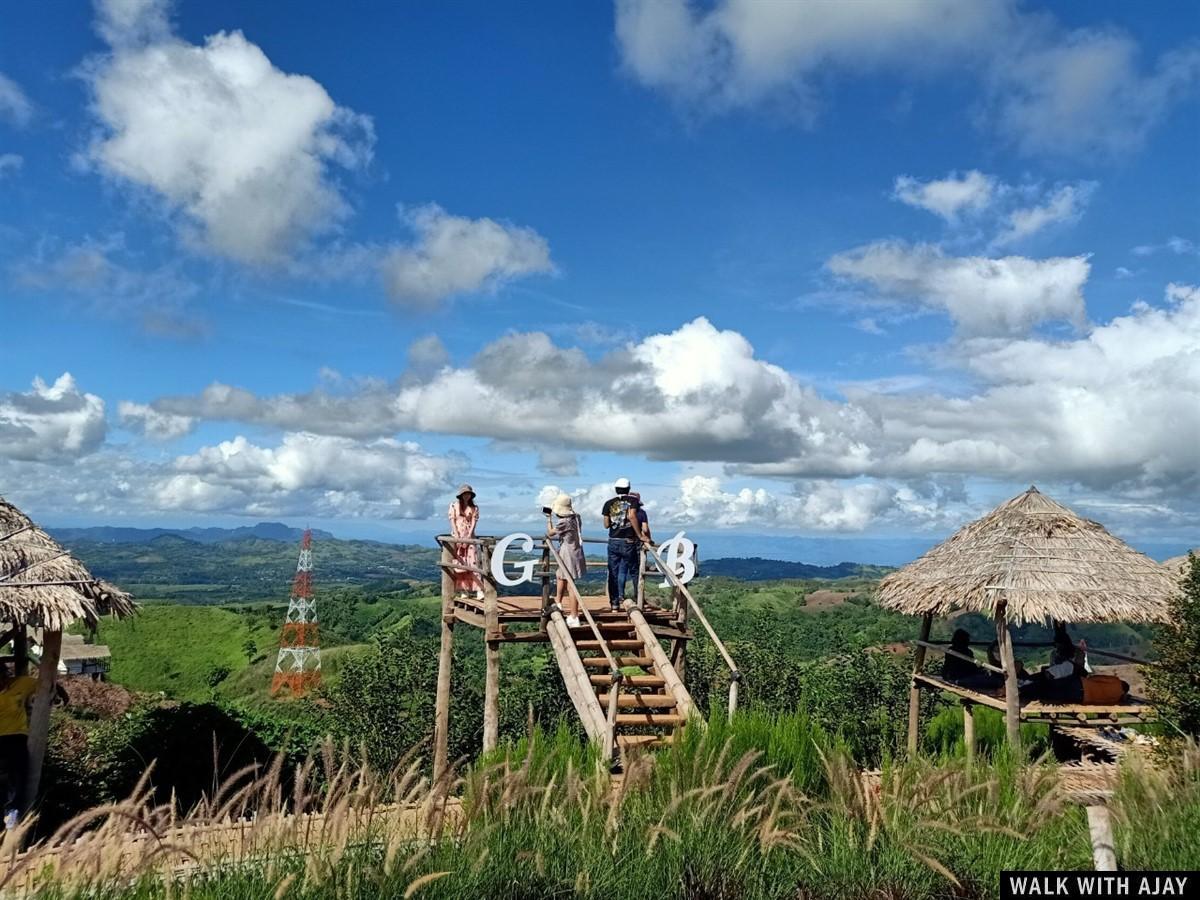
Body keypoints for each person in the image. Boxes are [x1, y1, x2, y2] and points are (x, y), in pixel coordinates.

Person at [0, 661, 38, 828]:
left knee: (17, 775)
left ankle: (12, 812)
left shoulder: (21, 683)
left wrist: (62, 695)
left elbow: (47, 684)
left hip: (16, 737)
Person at [602, 477, 643, 612]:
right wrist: (640, 535)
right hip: (628, 541)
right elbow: (632, 516)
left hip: (613, 541)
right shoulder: (633, 501)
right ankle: (639, 600)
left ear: (616, 489)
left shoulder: (608, 503)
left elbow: (606, 524)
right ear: (628, 489)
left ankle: (614, 604)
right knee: (635, 571)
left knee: (613, 572)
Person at [548, 494, 586, 628]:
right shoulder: (576, 517)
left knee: (571, 586)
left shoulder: (564, 522)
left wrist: (549, 520)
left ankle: (574, 616)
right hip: (576, 551)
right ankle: (558, 601)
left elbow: (550, 533)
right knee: (560, 575)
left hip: (568, 554)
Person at [448, 484, 483, 599]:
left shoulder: (474, 508)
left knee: (473, 562)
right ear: (461, 495)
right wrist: (457, 536)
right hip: (457, 537)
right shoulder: (454, 506)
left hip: (470, 537)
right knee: (460, 564)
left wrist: (468, 536)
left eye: (468, 494)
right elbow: (452, 521)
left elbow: (474, 522)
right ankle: (464, 590)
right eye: (464, 494)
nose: (466, 496)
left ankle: (479, 590)